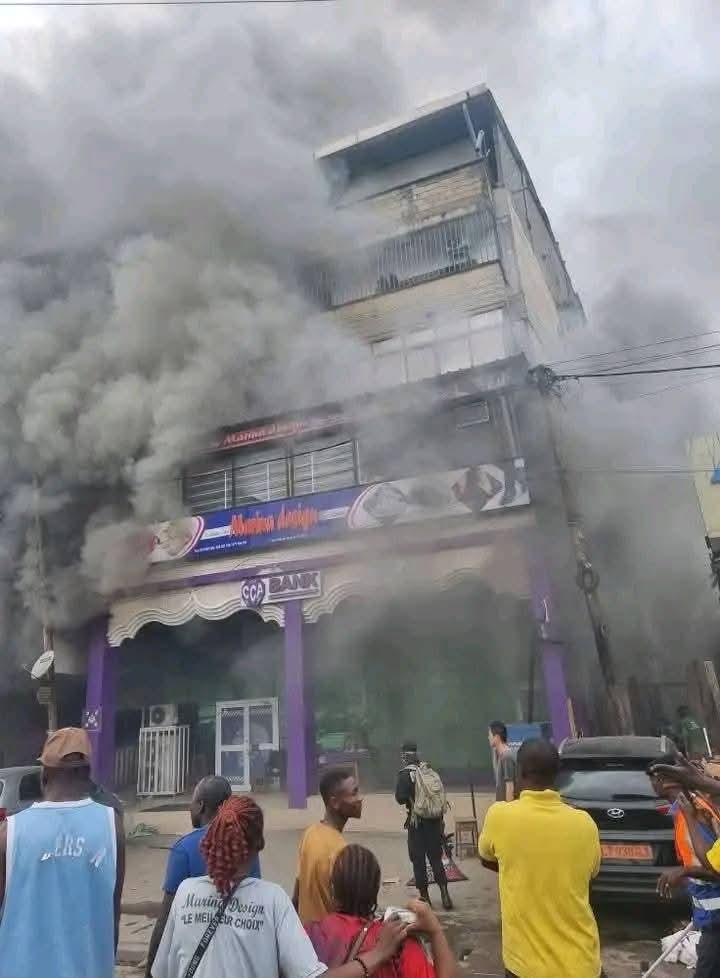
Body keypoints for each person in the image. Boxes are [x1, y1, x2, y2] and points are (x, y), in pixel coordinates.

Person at [152, 795, 409, 978]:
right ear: (258, 846)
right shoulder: (272, 900)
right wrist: (378, 953)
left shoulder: (185, 893)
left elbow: (161, 970)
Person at [0, 727, 125, 978]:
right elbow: (113, 912)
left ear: (45, 773)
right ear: (88, 773)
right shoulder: (112, 826)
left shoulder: (9, 833)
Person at [478, 738, 601, 978]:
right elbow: (590, 874)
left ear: (520, 771)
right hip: (582, 965)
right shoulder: (585, 824)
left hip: (525, 967)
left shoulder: (500, 816)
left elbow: (486, 857)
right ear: (557, 774)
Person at [146, 775, 261, 976]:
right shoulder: (245, 845)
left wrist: (150, 971)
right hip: (240, 955)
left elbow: (166, 918)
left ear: (200, 805)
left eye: (192, 803)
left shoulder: (184, 848)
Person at [307, 844, 459, 978]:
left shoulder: (307, 936)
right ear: (375, 889)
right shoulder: (398, 941)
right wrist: (435, 931)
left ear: (333, 889)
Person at [649, 759, 720, 978]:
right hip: (709, 919)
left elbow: (715, 868)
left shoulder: (694, 813)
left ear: (663, 781)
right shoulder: (685, 810)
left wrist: (684, 872)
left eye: (653, 779)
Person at [294, 767, 363, 924]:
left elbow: (298, 891)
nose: (360, 798)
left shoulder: (309, 833)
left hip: (307, 934)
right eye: (354, 793)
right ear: (334, 803)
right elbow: (348, 912)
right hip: (330, 941)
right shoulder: (342, 851)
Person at [395, 742, 453, 911]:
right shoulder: (429, 770)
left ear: (405, 756)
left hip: (417, 823)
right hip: (434, 823)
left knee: (418, 860)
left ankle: (425, 898)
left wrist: (410, 799)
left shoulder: (405, 775)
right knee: (436, 859)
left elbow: (399, 798)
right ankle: (445, 895)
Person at [488, 721, 515, 802]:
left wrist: (507, 810)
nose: (488, 737)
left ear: (496, 737)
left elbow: (510, 787)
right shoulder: (501, 756)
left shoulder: (507, 756)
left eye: (489, 735)